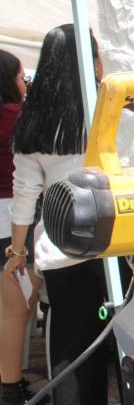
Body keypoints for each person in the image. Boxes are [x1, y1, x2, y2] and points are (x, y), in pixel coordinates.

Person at [3, 24, 108, 405]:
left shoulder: (34, 121)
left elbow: (25, 193)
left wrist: (17, 252)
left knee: (70, 345)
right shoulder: (108, 108)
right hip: (119, 239)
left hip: (62, 243)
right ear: (89, 62)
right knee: (124, 339)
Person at [0, 49, 40, 405]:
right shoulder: (19, 118)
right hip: (12, 222)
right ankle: (10, 388)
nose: (23, 81)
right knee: (15, 309)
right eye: (19, 75)